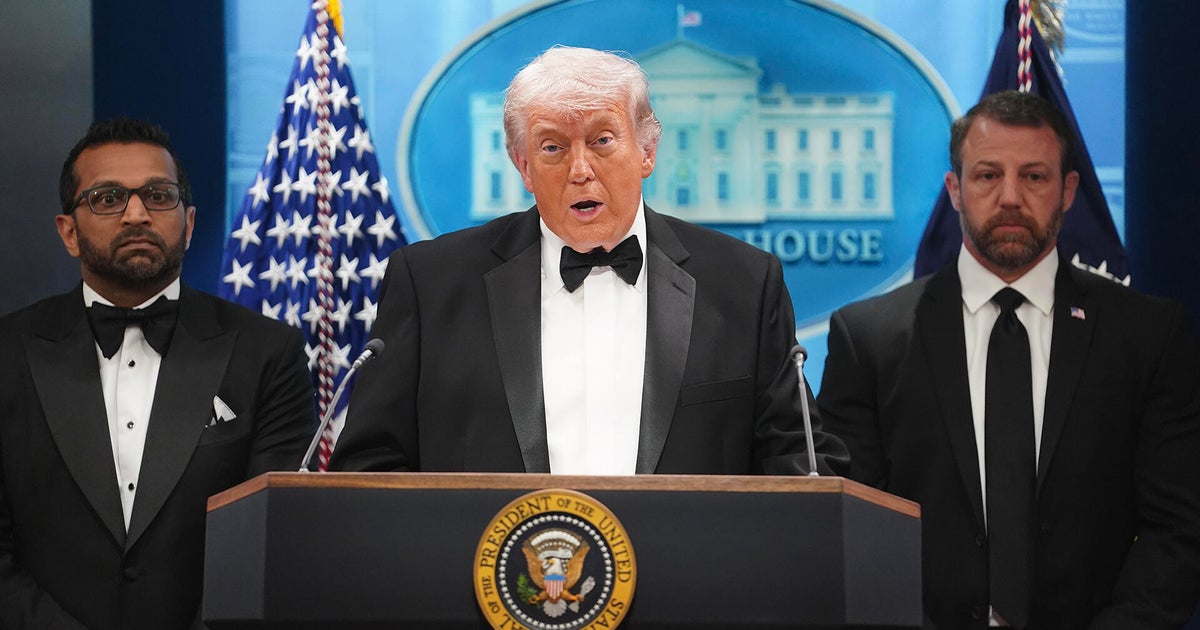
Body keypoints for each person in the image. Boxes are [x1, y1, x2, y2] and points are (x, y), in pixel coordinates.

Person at [331, 45, 847, 476]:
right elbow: (370, 466)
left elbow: (799, 463)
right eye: (552, 147)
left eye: (602, 140)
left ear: (646, 152)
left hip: (686, 569)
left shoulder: (742, 283)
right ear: (523, 166)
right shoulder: (432, 283)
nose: (580, 169)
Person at [818, 90, 1200, 629]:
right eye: (987, 175)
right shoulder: (869, 339)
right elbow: (853, 530)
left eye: (1035, 176)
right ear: (955, 190)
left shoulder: (1147, 336)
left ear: (1068, 191)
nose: (1011, 197)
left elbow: (1178, 530)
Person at [0, 118, 316, 629]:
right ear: (69, 232)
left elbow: (270, 542)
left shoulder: (269, 353)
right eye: (107, 198)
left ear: (188, 224)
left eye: (158, 195)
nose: (137, 214)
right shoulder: (8, 353)